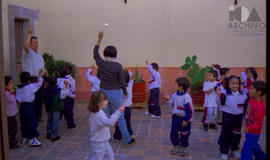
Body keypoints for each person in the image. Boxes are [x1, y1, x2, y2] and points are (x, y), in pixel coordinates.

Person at [93, 31, 135, 147]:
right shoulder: (118, 66)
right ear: (115, 54)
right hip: (116, 93)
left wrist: (99, 40)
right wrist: (126, 93)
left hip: (103, 93)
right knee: (120, 118)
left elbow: (95, 54)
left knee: (104, 117)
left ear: (105, 54)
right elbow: (122, 82)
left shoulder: (101, 64)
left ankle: (102, 139)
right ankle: (126, 140)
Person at [216, 75, 248, 160]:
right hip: (227, 116)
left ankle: (235, 148)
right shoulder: (225, 93)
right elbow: (220, 104)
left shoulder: (243, 93)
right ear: (228, 84)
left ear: (239, 84)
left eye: (237, 83)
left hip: (238, 117)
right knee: (226, 133)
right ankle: (224, 150)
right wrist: (219, 96)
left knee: (236, 134)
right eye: (232, 83)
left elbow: (245, 106)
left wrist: (246, 117)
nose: (235, 85)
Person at [88, 91, 124, 160]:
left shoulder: (98, 112)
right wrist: (118, 111)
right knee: (98, 157)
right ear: (99, 103)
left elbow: (105, 122)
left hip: (103, 140)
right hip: (98, 143)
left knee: (110, 156)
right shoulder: (98, 114)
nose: (107, 101)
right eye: (105, 100)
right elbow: (109, 123)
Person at [165, 77, 194, 156]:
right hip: (175, 118)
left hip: (184, 119)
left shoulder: (187, 97)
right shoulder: (175, 94)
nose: (174, 85)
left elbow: (190, 111)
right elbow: (172, 103)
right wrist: (168, 99)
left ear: (181, 86)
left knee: (184, 133)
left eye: (176, 84)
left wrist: (186, 120)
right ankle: (176, 146)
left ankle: (184, 147)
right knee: (173, 132)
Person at [22, 26, 45, 122]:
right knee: (33, 99)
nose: (36, 44)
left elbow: (42, 64)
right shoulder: (27, 53)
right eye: (34, 43)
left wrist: (45, 73)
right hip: (31, 79)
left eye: (37, 43)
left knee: (39, 99)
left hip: (39, 79)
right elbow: (25, 46)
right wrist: (29, 33)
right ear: (30, 44)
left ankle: (38, 115)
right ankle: (32, 117)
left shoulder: (37, 54)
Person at [16, 69, 43, 147]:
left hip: (22, 106)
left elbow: (17, 98)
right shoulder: (30, 86)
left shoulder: (18, 88)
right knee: (32, 121)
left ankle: (24, 136)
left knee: (23, 121)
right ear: (29, 79)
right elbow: (39, 83)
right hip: (29, 106)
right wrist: (39, 74)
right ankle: (32, 139)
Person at [241, 80, 266, 160]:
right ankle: (261, 157)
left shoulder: (259, 107)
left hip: (253, 131)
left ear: (259, 92)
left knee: (247, 148)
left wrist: (248, 129)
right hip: (250, 128)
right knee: (254, 145)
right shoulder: (252, 99)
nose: (249, 90)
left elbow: (258, 123)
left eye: (252, 89)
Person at [43, 76, 72, 142]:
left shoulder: (45, 90)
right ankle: (54, 136)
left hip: (48, 108)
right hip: (56, 108)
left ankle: (49, 132)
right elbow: (67, 93)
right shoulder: (59, 91)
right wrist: (66, 85)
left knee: (49, 120)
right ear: (56, 82)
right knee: (55, 121)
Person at [113, 69, 134, 142]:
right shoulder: (130, 85)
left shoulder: (120, 90)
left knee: (119, 123)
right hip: (128, 109)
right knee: (127, 121)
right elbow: (131, 79)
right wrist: (129, 71)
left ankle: (118, 137)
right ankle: (129, 133)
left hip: (121, 109)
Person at [5, 76, 20, 149]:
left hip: (13, 113)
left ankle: (13, 141)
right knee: (12, 130)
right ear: (5, 85)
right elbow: (11, 100)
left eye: (13, 82)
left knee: (14, 128)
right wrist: (11, 92)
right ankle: (12, 143)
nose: (12, 84)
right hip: (10, 114)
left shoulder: (9, 92)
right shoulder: (6, 93)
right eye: (10, 83)